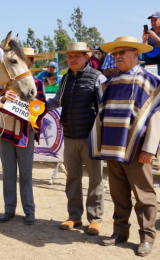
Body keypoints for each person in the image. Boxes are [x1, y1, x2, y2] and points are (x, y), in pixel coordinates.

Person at [89, 36, 160, 257]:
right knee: (118, 193)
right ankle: (120, 232)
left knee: (144, 195)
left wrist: (149, 147)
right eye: (114, 54)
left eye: (122, 53)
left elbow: (157, 116)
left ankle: (147, 237)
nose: (117, 57)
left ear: (136, 54)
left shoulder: (150, 80)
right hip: (112, 147)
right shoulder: (110, 83)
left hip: (137, 150)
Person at [46, 42, 107, 235]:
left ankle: (95, 218)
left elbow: (104, 108)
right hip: (70, 136)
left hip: (91, 137)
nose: (72, 59)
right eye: (69, 56)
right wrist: (36, 104)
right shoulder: (64, 80)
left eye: (76, 56)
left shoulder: (98, 77)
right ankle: (74, 216)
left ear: (86, 57)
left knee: (95, 179)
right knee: (72, 178)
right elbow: (56, 101)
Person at [0, 47, 47, 225]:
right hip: (5, 132)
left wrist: (5, 104)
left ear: (31, 62)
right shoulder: (1, 84)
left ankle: (29, 210)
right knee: (8, 173)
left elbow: (39, 109)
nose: (24, 61)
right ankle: (9, 209)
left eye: (27, 59)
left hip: (24, 133)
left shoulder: (37, 85)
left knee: (26, 174)